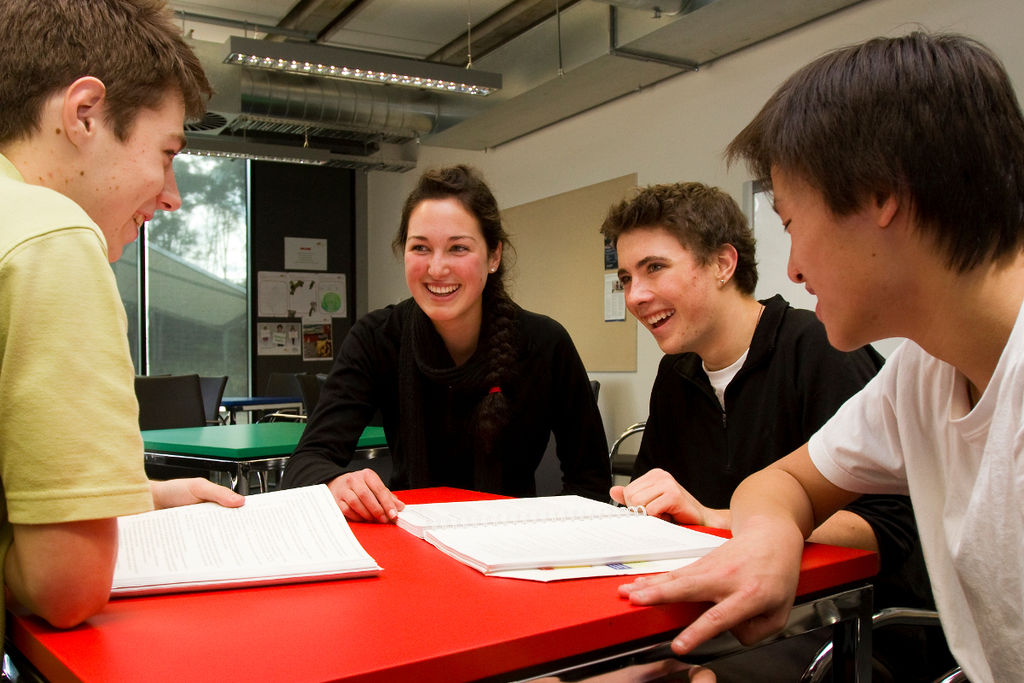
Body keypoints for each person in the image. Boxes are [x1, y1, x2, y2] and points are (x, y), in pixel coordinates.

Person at [617, 32, 1024, 682]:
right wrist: (768, 536)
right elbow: (782, 483)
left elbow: (886, 532)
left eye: (788, 221)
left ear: (879, 193)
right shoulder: (927, 372)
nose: (796, 266)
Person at [602, 182, 939, 681]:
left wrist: (720, 519)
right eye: (625, 278)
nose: (636, 295)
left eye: (654, 268)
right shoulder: (677, 373)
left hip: (852, 621)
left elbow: (891, 527)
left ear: (722, 263)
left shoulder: (821, 349)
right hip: (725, 606)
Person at [0, 0, 243, 638]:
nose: (172, 194)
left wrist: (140, 497)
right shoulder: (50, 237)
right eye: (166, 153)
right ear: (85, 114)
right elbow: (67, 587)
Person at [282, 165, 610, 521]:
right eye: (420, 247)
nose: (437, 269)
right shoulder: (376, 338)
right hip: (409, 537)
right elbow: (304, 465)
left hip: (515, 544)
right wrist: (336, 484)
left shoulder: (546, 344)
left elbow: (591, 482)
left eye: (458, 248)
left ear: (494, 256)